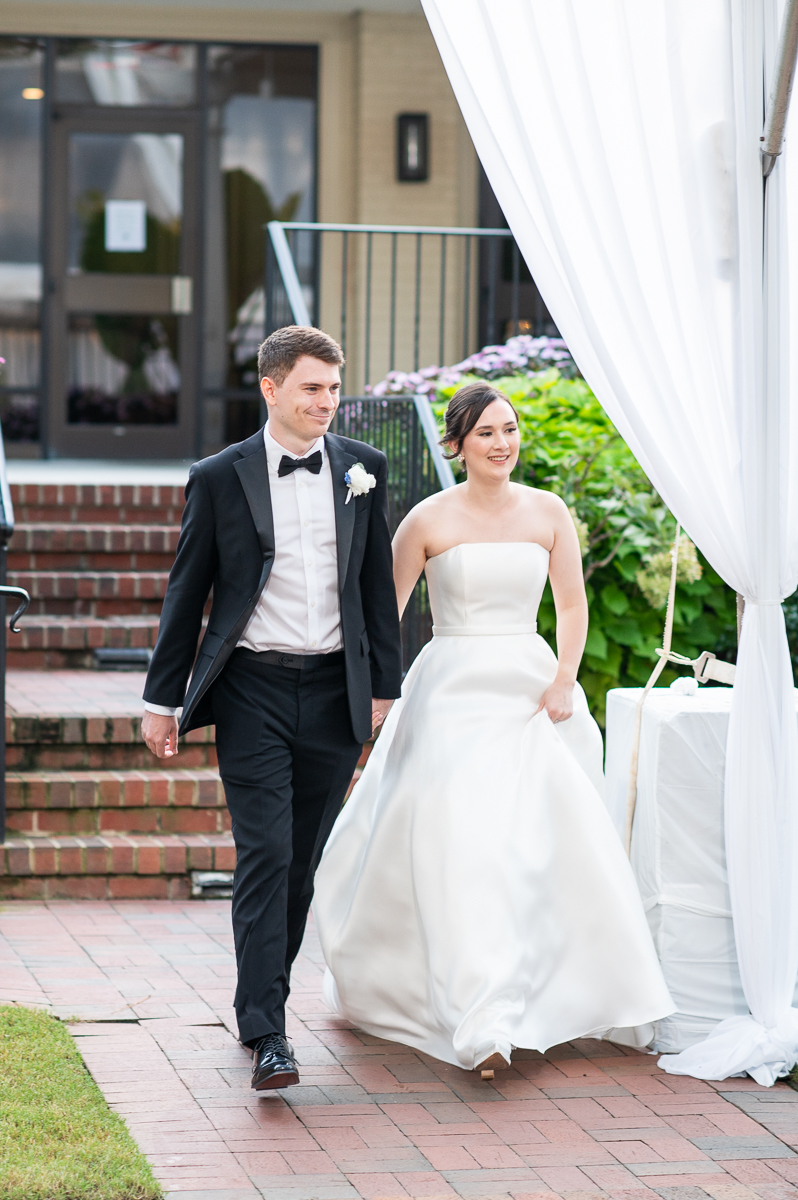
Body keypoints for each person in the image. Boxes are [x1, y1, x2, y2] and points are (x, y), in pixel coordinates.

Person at [313, 382, 673, 1076]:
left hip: (531, 688)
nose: (502, 443)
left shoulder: (549, 511)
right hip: (451, 688)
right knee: (462, 842)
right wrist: (376, 696)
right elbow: (380, 619)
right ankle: (479, 1012)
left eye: (509, 429)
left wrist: (565, 678)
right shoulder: (425, 520)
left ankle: (552, 992)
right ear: (458, 442)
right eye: (485, 433)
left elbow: (571, 604)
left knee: (536, 843)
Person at [141, 325, 402, 1091]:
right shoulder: (220, 476)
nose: (327, 402)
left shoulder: (363, 470)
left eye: (333, 387)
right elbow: (186, 594)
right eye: (312, 388)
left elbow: (373, 594)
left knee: (301, 869)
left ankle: (262, 1001)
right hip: (252, 689)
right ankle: (269, 1034)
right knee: (266, 856)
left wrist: (383, 689)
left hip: (333, 691)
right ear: (271, 388)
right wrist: (163, 699)